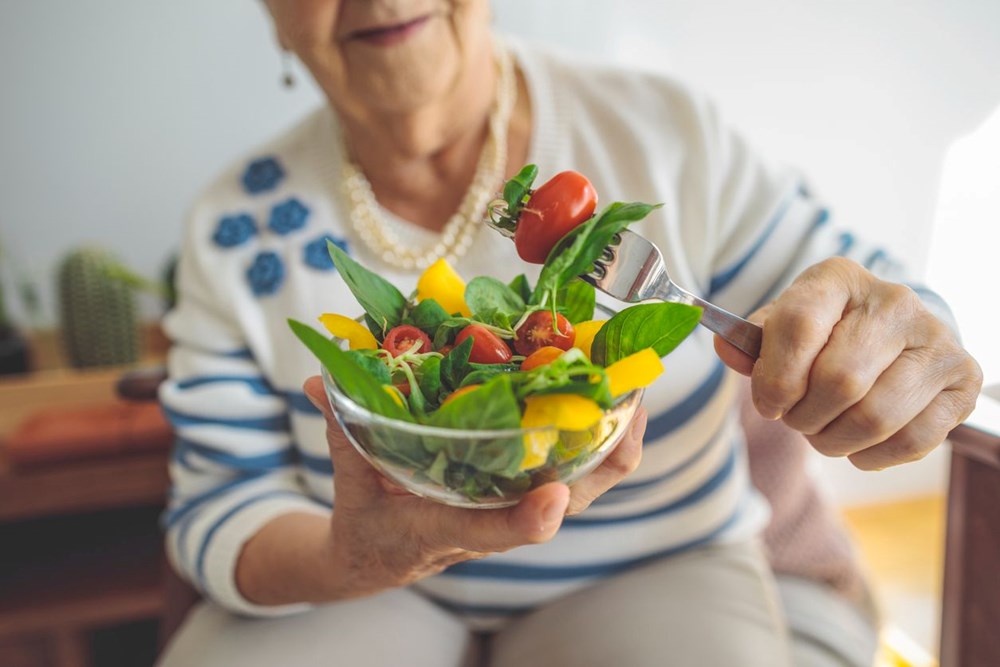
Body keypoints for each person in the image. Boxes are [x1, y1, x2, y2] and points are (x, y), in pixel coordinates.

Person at [155, 2, 983, 666]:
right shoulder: (234, 226)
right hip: (357, 589)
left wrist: (909, 341)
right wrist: (359, 557)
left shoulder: (661, 130)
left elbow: (863, 289)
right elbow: (219, 507)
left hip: (661, 566)